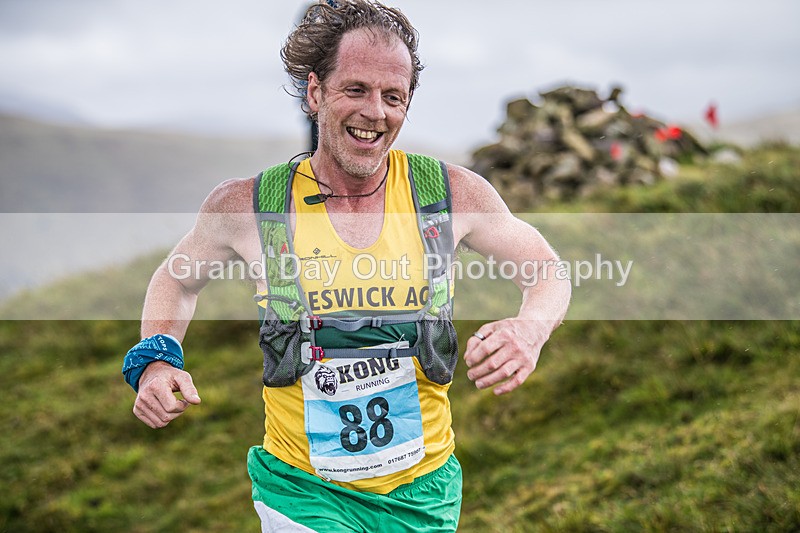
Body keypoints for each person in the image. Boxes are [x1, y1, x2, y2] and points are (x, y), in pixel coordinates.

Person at [122, 1, 571, 531]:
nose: (375, 112)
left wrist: (530, 329)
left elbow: (546, 270)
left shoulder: (448, 194)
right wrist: (155, 359)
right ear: (315, 93)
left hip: (423, 493)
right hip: (301, 492)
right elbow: (176, 279)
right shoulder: (249, 206)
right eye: (355, 90)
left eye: (393, 97)